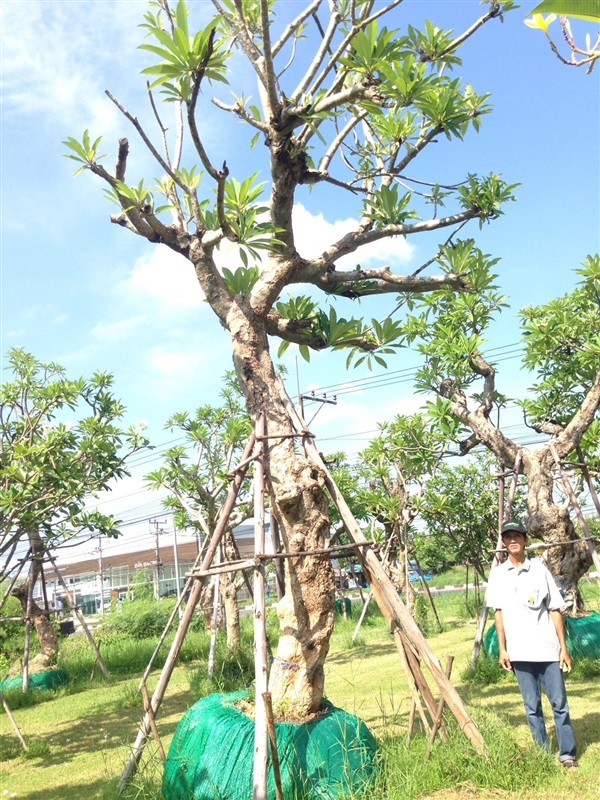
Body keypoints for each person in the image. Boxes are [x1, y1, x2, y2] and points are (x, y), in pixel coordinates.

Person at [485, 520, 578, 768]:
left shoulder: (539, 570)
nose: (513, 540)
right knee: (532, 707)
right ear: (504, 543)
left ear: (525, 540)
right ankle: (542, 754)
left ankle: (567, 754)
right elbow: (499, 613)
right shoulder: (498, 575)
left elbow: (556, 609)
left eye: (517, 536)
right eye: (508, 537)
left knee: (559, 704)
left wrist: (564, 649)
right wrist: (503, 648)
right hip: (519, 652)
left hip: (547, 649)